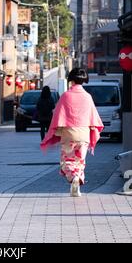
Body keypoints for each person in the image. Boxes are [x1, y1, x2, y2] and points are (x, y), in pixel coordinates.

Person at [40, 68, 104, 198]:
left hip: (69, 133)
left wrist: (55, 132)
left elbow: (58, 115)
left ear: (71, 80)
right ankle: (77, 185)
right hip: (84, 133)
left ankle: (74, 177)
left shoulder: (66, 96)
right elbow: (93, 117)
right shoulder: (87, 97)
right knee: (80, 161)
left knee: (67, 160)